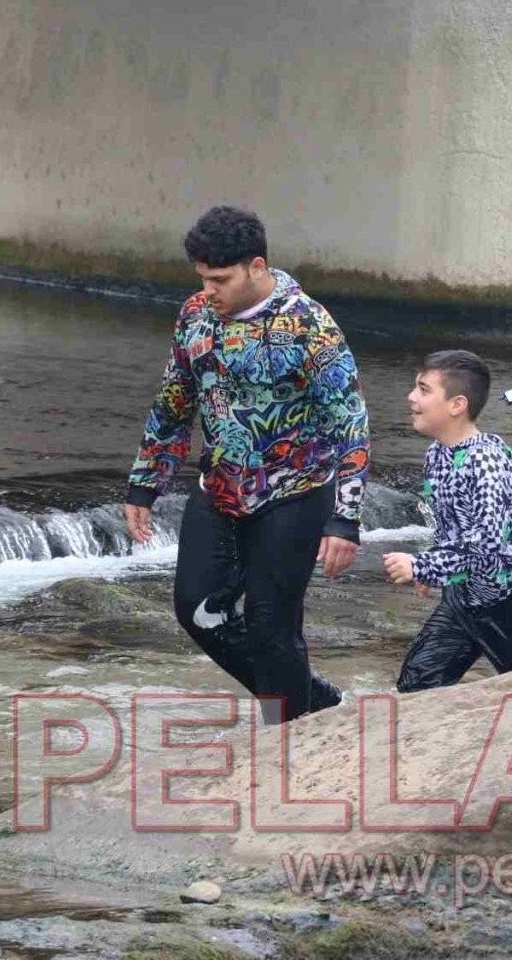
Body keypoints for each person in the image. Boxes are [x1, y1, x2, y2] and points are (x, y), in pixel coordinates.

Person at [123, 207, 368, 723]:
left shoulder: (308, 324)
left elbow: (349, 420)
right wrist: (145, 483)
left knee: (271, 626)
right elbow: (175, 400)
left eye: (220, 279)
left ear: (257, 267)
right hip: (220, 487)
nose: (209, 289)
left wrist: (345, 518)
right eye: (203, 278)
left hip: (296, 494)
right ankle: (311, 699)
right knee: (197, 612)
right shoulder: (195, 315)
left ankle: (288, 737)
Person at [384, 351, 512, 690]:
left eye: (423, 390)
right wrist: (439, 565)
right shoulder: (437, 453)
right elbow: (453, 525)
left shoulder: (485, 462)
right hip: (465, 596)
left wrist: (423, 566)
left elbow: (488, 546)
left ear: (457, 405)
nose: (411, 397)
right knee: (417, 685)